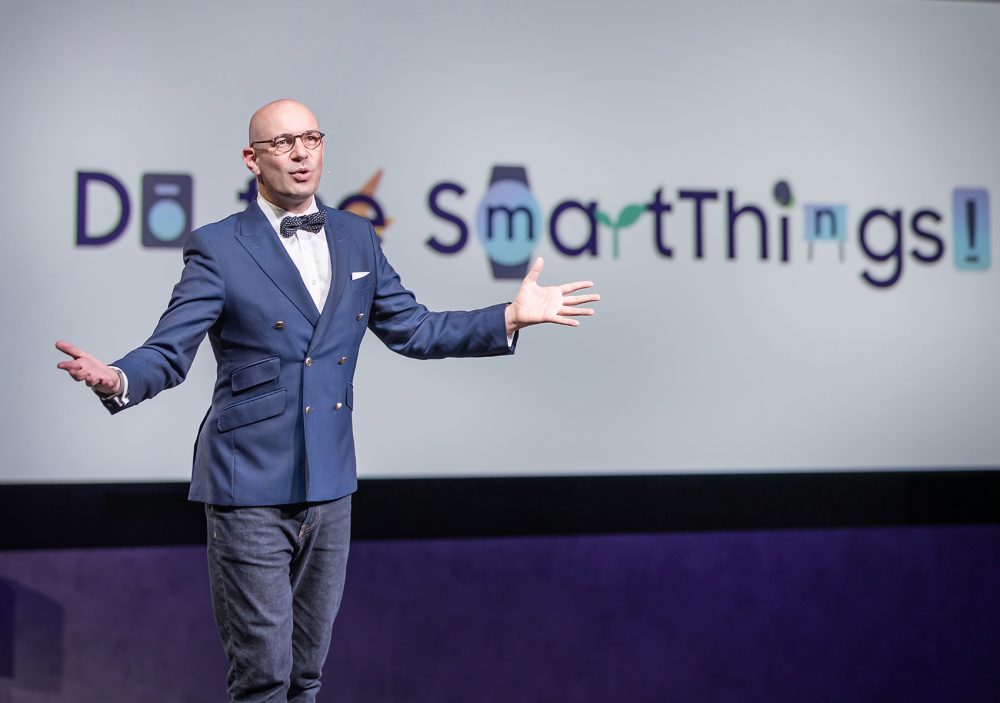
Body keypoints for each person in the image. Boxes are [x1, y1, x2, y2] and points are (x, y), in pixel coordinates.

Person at [55, 99, 599, 702]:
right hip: (248, 483)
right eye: (283, 142)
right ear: (252, 159)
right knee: (264, 677)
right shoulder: (218, 246)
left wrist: (509, 317)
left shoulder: (355, 236)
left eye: (311, 139)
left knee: (306, 676)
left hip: (331, 482)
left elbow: (415, 329)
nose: (300, 153)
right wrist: (119, 377)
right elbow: (169, 349)